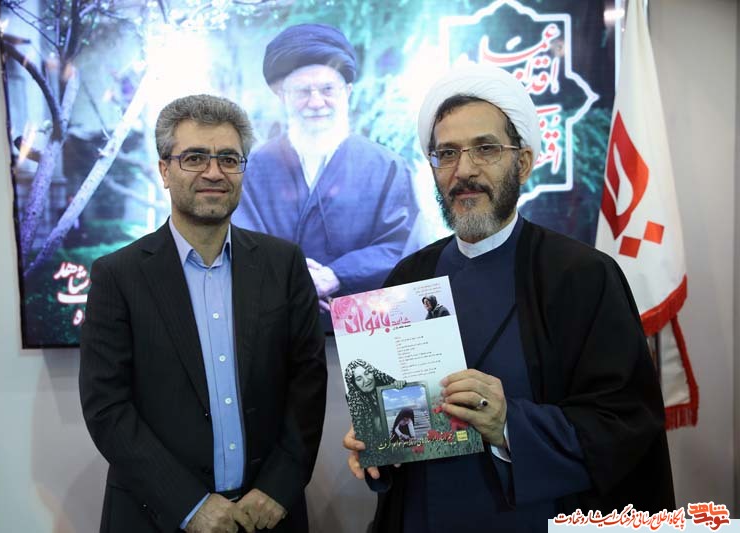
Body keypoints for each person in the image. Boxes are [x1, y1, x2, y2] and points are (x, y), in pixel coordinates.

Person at [343, 63, 674, 532]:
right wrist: (379, 443)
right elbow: (402, 423)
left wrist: (508, 425)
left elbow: (625, 424)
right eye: (447, 153)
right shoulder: (408, 277)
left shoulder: (582, 276)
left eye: (486, 149)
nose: (464, 170)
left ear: (522, 163)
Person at [79, 94, 327, 533]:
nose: (214, 172)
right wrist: (189, 505)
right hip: (156, 516)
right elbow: (107, 408)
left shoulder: (284, 263)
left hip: (267, 514)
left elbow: (307, 382)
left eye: (228, 159)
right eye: (194, 158)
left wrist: (278, 487)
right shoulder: (118, 275)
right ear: (164, 170)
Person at [232, 23, 421, 314]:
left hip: (362, 323)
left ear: (348, 91)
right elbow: (240, 244)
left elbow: (402, 245)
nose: (316, 102)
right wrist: (294, 279)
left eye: (327, 89)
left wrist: (335, 275)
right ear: (282, 95)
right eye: (302, 91)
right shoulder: (254, 169)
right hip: (277, 322)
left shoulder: (387, 167)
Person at [344, 359, 404, 444]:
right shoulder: (356, 406)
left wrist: (402, 386)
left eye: (367, 373)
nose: (366, 380)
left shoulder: (391, 388)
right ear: (354, 384)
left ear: (373, 372)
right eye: (359, 379)